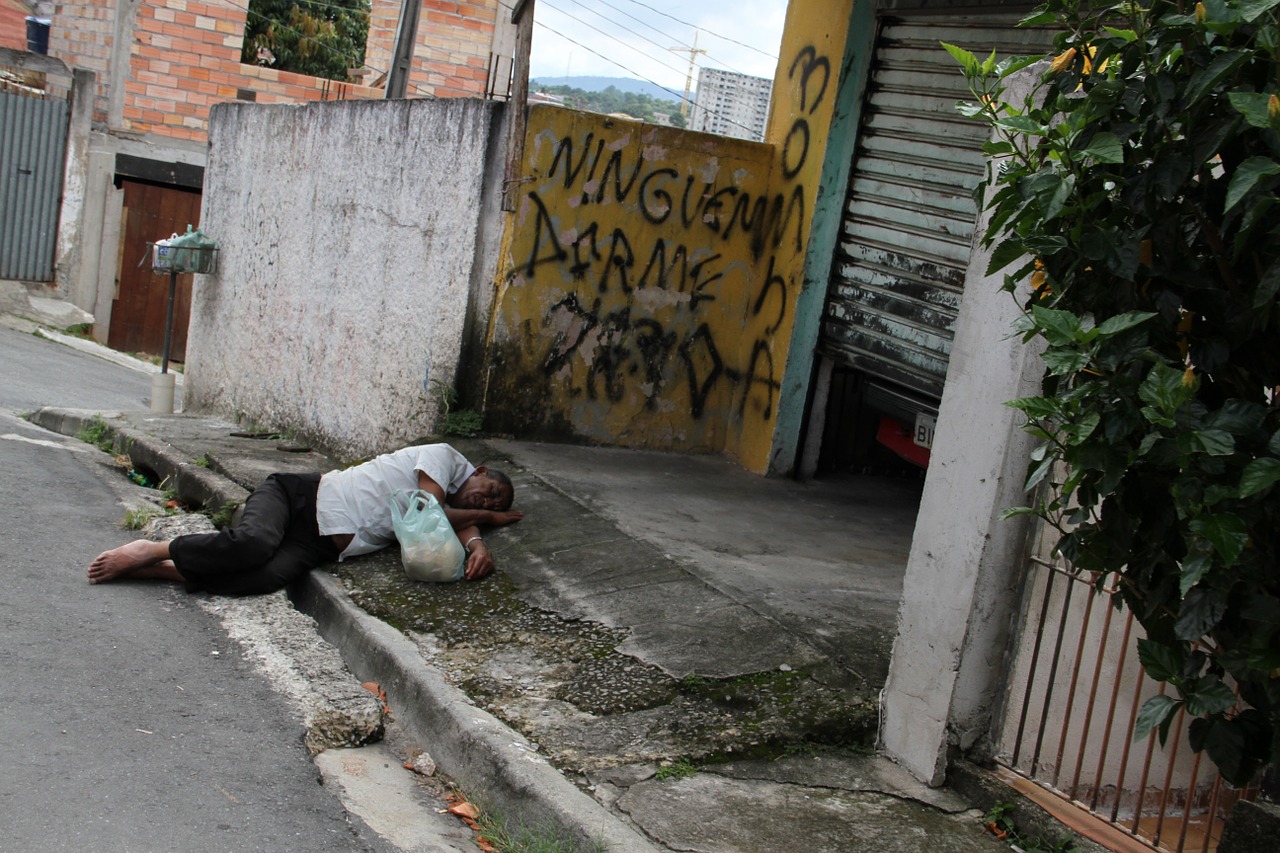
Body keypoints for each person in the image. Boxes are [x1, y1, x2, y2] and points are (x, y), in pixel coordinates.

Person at [87, 443, 522, 596]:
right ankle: (151, 549)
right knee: (252, 544)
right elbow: (428, 512)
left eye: (496, 503)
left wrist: (477, 542)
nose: (489, 498)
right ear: (479, 471)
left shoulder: (458, 507)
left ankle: (160, 572)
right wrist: (485, 517)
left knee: (262, 578)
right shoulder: (443, 457)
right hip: (299, 497)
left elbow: (456, 525)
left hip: (319, 544)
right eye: (492, 490)